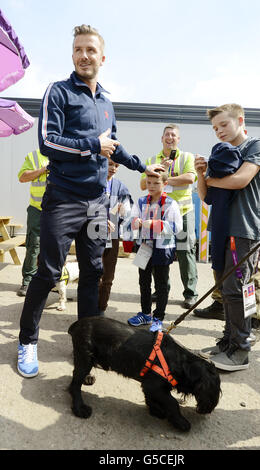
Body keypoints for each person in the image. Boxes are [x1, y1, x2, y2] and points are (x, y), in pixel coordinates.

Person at [17, 24, 163, 378]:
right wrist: (90, 146)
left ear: (102, 57)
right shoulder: (59, 91)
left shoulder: (107, 101)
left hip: (98, 202)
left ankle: (87, 344)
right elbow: (48, 143)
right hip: (63, 199)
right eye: (78, 49)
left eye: (91, 50)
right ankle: (27, 341)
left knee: (93, 273)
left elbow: (114, 143)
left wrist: (144, 165)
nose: (85, 55)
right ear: (72, 55)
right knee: (48, 271)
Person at [195, 103, 260, 371]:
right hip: (222, 229)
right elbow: (206, 198)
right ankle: (228, 341)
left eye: (224, 125)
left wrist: (212, 178)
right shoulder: (221, 154)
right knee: (225, 290)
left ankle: (240, 350)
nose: (219, 131)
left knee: (238, 289)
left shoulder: (257, 146)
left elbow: (240, 180)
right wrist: (200, 174)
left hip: (243, 230)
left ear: (240, 120)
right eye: (215, 128)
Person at [140, 124, 198, 309]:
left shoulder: (187, 157)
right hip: (159, 214)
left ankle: (190, 293)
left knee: (184, 251)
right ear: (162, 138)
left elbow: (190, 178)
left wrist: (162, 180)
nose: (170, 138)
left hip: (182, 211)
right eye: (167, 135)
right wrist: (156, 171)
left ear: (178, 139)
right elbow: (143, 184)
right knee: (159, 251)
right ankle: (161, 289)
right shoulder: (152, 159)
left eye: (174, 135)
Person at [127, 169, 182, 332]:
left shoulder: (171, 203)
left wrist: (154, 224)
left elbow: (177, 227)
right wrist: (135, 222)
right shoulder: (141, 201)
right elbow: (132, 219)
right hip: (144, 246)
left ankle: (158, 317)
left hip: (162, 248)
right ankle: (145, 313)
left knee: (161, 283)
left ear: (165, 184)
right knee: (143, 281)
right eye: (148, 183)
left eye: (156, 183)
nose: (151, 186)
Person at [98, 161, 133, 314]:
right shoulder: (92, 181)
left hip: (112, 235)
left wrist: (124, 210)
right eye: (110, 164)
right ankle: (88, 308)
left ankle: (101, 309)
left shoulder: (120, 186)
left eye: (117, 166)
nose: (113, 168)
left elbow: (128, 211)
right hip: (92, 233)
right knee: (92, 274)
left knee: (108, 276)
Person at [17, 149, 49, 297]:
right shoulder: (35, 156)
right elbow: (22, 177)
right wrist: (44, 169)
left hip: (58, 210)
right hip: (37, 209)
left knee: (55, 246)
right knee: (33, 244)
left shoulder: (67, 153)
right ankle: (28, 280)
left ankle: (51, 281)